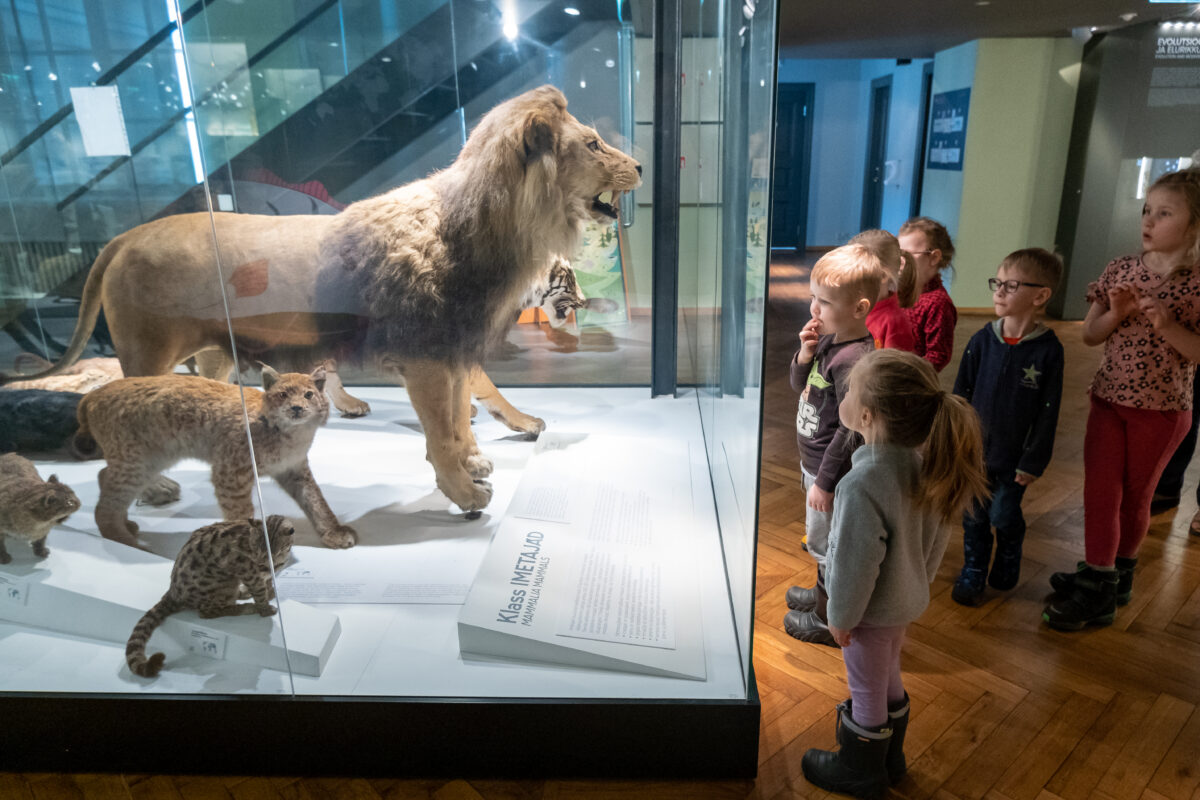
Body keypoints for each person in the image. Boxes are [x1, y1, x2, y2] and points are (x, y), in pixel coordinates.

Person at [801, 349, 988, 799]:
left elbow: (852, 564)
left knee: (865, 686)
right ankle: (891, 759)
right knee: (887, 675)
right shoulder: (929, 469)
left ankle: (860, 769)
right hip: (903, 605)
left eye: (847, 393)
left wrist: (840, 618)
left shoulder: (862, 484)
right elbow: (934, 547)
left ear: (864, 415)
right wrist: (914, 589)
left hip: (868, 613)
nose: (841, 398)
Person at [1044, 167, 1200, 630]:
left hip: (1163, 412)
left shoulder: (1196, 284)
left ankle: (1114, 579)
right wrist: (1115, 312)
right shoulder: (1121, 268)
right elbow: (1090, 335)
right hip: (1108, 401)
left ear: (1193, 227)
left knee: (1136, 499)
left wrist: (1168, 325)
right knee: (1099, 493)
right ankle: (1099, 578)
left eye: (1165, 213)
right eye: (1147, 211)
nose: (1148, 221)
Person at [784, 244, 886, 647]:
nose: (814, 309)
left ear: (860, 308)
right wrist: (806, 352)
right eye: (813, 298)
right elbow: (799, 387)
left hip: (831, 470)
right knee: (823, 540)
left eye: (824, 302)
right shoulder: (829, 341)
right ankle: (822, 591)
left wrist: (825, 482)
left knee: (830, 545)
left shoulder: (856, 360)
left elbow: (850, 431)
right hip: (814, 462)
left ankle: (829, 617)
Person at [950, 248, 1064, 606]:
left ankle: (1010, 552)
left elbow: (1049, 411)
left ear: (1040, 295)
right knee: (974, 517)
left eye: (1010, 285)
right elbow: (960, 394)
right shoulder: (982, 341)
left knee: (1003, 514)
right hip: (975, 453)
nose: (998, 292)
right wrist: (956, 442)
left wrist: (1034, 460)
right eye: (997, 283)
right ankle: (973, 571)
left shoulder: (1048, 351)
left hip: (1015, 459)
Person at [898, 217, 958, 372]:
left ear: (934, 257)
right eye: (898, 253)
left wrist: (902, 373)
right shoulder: (896, 293)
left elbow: (938, 355)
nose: (901, 260)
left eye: (908, 254)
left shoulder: (938, 303)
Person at [851, 229, 918, 352]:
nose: (848, 279)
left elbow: (894, 369)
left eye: (856, 272)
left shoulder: (894, 323)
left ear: (882, 276)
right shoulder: (850, 306)